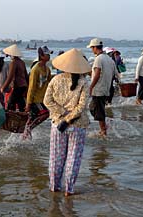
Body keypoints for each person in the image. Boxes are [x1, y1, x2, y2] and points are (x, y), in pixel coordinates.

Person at [44, 48, 91, 197]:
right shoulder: (84, 82)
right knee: (73, 158)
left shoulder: (55, 80)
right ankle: (68, 190)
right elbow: (81, 107)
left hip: (58, 124)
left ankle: (54, 187)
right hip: (77, 125)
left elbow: (47, 101)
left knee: (56, 158)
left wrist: (61, 114)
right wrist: (68, 117)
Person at [87, 38, 115, 137]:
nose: (92, 50)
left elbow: (97, 74)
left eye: (92, 48)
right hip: (105, 89)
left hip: (98, 89)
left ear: (95, 47)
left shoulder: (98, 59)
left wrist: (91, 86)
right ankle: (104, 126)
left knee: (96, 109)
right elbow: (113, 74)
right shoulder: (109, 59)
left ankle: (103, 130)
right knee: (96, 108)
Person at [24, 46, 52, 138]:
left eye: (49, 54)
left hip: (43, 98)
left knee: (32, 117)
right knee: (45, 114)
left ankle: (26, 133)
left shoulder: (47, 69)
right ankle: (29, 129)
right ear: (41, 55)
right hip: (35, 99)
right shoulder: (35, 69)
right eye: (47, 54)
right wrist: (28, 103)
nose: (49, 56)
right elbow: (31, 87)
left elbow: (49, 83)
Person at [1, 44, 28, 112]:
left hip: (18, 86)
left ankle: (11, 118)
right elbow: (26, 76)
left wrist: (3, 87)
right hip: (23, 85)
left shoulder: (13, 62)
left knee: (11, 102)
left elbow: (10, 77)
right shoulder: (22, 62)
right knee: (20, 101)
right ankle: (23, 116)